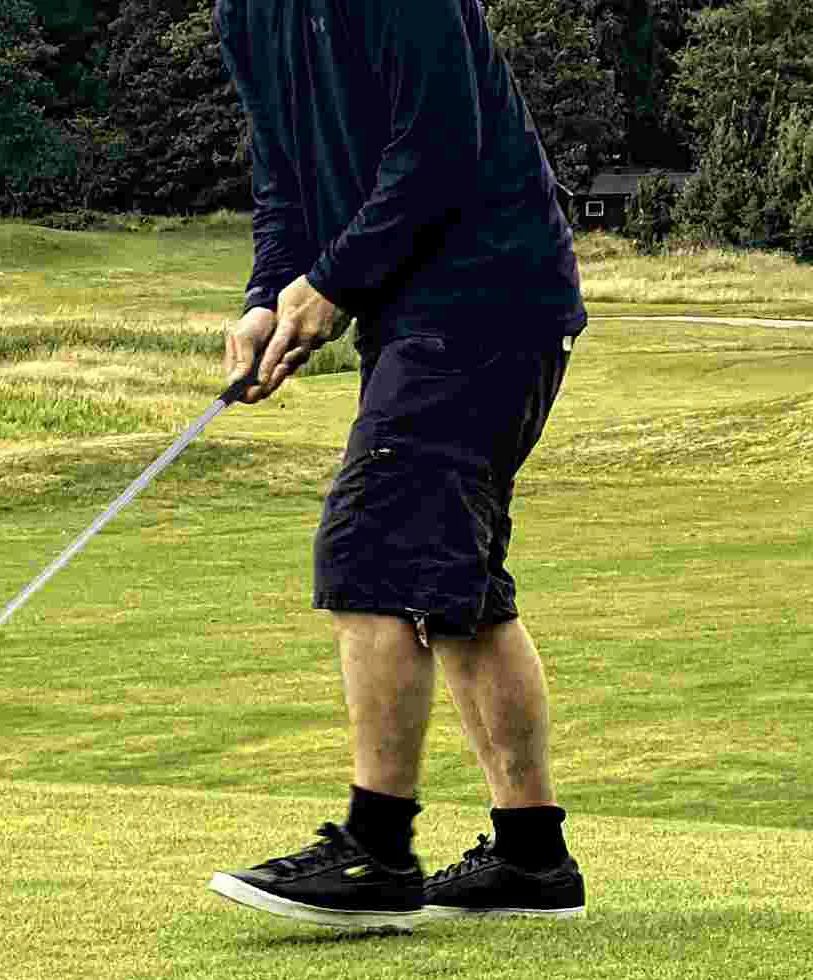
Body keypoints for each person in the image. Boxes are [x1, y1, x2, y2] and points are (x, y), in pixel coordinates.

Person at [206, 0, 589, 932]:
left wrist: (335, 281)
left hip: (488, 294)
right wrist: (269, 295)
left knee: (371, 545)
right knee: (457, 587)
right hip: (417, 314)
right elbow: (283, 176)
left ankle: (375, 852)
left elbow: (440, 149)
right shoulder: (243, 11)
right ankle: (530, 858)